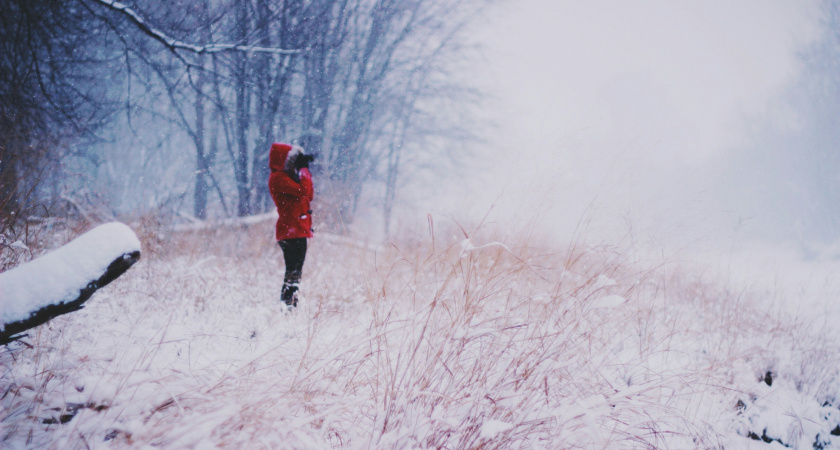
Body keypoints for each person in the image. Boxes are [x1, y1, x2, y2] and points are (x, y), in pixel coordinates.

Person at [268, 143, 314, 307]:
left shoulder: (287, 178)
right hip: (291, 231)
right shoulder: (278, 178)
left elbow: (309, 194)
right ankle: (288, 305)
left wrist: (302, 171)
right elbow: (304, 191)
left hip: (296, 230)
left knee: (295, 272)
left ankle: (290, 304)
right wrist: (303, 171)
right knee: (293, 272)